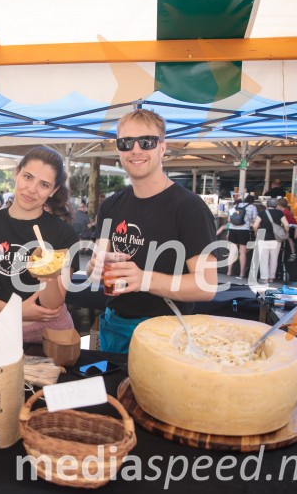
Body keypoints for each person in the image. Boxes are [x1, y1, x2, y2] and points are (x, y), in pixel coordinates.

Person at [87, 109, 217, 353]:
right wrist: (93, 267)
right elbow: (96, 268)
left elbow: (206, 286)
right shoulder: (110, 205)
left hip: (166, 335)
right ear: (118, 149)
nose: (136, 150)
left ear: (162, 147)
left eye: (146, 142)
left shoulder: (190, 208)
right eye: (126, 142)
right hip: (114, 329)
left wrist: (143, 279)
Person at [0, 147, 79, 343]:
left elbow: (53, 306)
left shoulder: (63, 235)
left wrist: (48, 274)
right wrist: (18, 311)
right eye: (28, 177)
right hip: (2, 327)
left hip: (53, 333)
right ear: (16, 174)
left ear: (54, 190)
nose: (32, 189)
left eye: (44, 184)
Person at [252, 198, 289, 284]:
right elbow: (286, 225)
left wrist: (256, 232)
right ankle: (271, 278)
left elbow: (255, 225)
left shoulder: (262, 213)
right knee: (274, 259)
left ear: (267, 205)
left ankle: (264, 278)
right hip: (276, 240)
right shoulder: (280, 213)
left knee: (264, 259)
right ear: (276, 206)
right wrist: (286, 233)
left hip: (263, 238)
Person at [227, 195, 258, 279]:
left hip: (233, 229)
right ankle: (241, 273)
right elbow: (255, 219)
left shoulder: (235, 206)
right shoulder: (252, 207)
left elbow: (229, 220)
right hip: (244, 230)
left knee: (232, 251)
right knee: (242, 252)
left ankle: (229, 271)